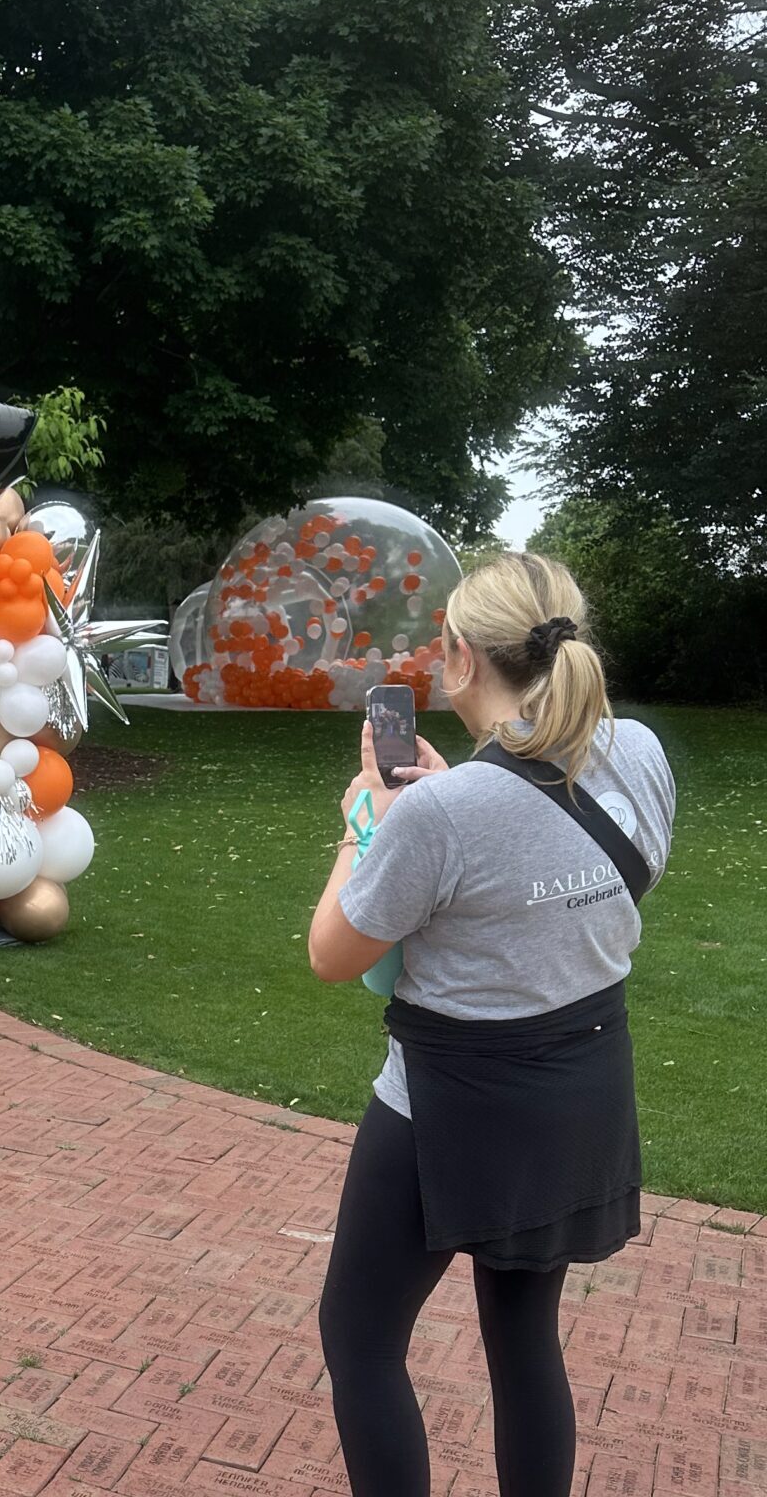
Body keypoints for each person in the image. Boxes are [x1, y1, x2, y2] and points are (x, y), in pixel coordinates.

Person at [308, 552, 675, 1497]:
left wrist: (367, 823)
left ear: (461, 657)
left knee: (359, 1338)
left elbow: (333, 953)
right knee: (523, 1337)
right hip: (582, 1087)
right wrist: (448, 800)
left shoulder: (439, 812)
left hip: (448, 1102)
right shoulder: (638, 751)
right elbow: (579, 876)